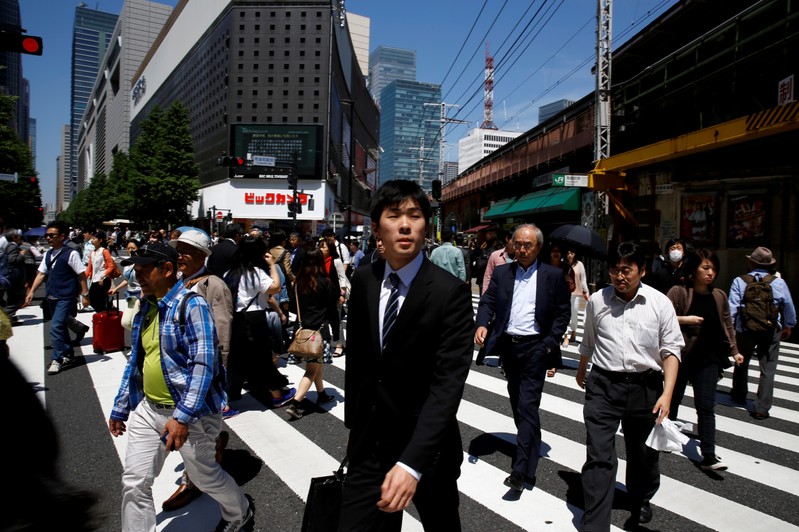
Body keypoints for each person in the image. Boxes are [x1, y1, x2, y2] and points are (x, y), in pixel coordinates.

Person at [339, 180, 474, 531]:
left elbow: (448, 385)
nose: (404, 224)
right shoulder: (365, 280)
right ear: (376, 228)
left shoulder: (450, 292)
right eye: (394, 215)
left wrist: (412, 463)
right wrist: (354, 424)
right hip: (370, 444)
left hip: (428, 450)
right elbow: (359, 359)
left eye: (414, 216)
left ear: (425, 226)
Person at [107, 242, 253, 532]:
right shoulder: (146, 306)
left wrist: (182, 416)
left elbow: (204, 364)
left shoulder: (192, 304)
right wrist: (121, 406)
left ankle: (240, 512)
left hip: (191, 413)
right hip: (149, 410)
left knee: (204, 476)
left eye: (145, 271)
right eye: (136, 271)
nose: (139, 277)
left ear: (168, 270)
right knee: (134, 482)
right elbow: (137, 360)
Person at [575, 241, 684, 529]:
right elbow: (589, 339)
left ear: (642, 271)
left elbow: (671, 351)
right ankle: (595, 523)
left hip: (645, 387)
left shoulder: (660, 304)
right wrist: (582, 369)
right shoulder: (598, 300)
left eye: (627, 270)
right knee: (599, 456)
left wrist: (667, 394)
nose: (620, 276)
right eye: (614, 270)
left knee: (643, 455)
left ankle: (642, 496)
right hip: (603, 384)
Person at [474, 224, 571, 492]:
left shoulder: (552, 275)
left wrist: (549, 343)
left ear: (539, 247)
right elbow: (488, 301)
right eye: (518, 244)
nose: (522, 249)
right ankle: (530, 450)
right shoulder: (503, 273)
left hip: (536, 349)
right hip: (509, 347)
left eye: (528, 245)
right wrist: (482, 324)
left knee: (528, 405)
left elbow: (563, 313)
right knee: (518, 404)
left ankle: (521, 471)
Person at [160, 228, 236, 512]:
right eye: (178, 249)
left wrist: (221, 369)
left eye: (187, 250)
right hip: (177, 370)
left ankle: (191, 482)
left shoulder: (214, 284)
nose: (180, 255)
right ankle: (214, 444)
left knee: (194, 425)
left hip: (202, 370)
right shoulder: (177, 281)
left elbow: (223, 329)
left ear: (203, 255)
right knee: (197, 426)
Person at [666, 249, 743, 471]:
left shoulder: (719, 295)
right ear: (693, 269)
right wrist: (686, 319)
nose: (710, 273)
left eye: (714, 269)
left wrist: (735, 351)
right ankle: (666, 436)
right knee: (673, 400)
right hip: (681, 356)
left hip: (709, 358)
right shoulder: (678, 292)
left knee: (706, 406)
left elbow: (727, 324)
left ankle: (709, 455)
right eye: (705, 268)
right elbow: (662, 318)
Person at [223, 236, 294, 406]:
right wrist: (272, 266)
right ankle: (277, 394)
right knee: (262, 357)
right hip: (253, 319)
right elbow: (275, 288)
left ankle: (227, 397)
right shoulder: (254, 273)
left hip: (236, 318)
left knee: (236, 358)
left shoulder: (229, 273)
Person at [728, 246, 796, 419]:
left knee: (742, 361)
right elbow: (788, 305)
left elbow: (732, 307)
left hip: (745, 329)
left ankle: (738, 394)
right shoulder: (778, 282)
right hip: (771, 329)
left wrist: (731, 330)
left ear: (751, 262)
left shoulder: (739, 281)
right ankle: (761, 408)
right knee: (768, 368)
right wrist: (788, 325)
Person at [24, 221, 91, 375]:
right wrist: (31, 291)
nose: (48, 238)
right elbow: (41, 273)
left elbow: (81, 274)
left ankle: (57, 358)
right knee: (60, 327)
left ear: (62, 236)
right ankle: (68, 354)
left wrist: (85, 295)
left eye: (52, 235)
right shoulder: (48, 254)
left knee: (55, 326)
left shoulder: (71, 253)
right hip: (52, 296)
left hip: (66, 296)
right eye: (47, 235)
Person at [285, 248, 340, 419]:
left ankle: (321, 394)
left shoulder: (297, 283)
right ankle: (296, 403)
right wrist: (336, 333)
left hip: (301, 330)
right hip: (319, 331)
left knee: (316, 365)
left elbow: (294, 307)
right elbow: (332, 311)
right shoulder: (326, 283)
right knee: (311, 368)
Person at [318, 236, 348, 358]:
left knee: (337, 321)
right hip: (322, 295)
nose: (320, 249)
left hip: (335, 295)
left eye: (323, 247)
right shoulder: (318, 262)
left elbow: (342, 278)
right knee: (322, 320)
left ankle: (339, 345)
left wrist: (342, 294)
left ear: (330, 249)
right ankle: (324, 343)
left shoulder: (336, 261)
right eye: (319, 246)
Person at [563, 249, 590, 347]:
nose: (569, 255)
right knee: (564, 314)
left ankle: (573, 332)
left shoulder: (580, 265)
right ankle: (565, 335)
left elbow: (583, 280)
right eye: (568, 253)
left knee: (574, 315)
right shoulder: (563, 264)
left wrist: (586, 291)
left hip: (576, 293)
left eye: (572, 253)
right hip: (564, 293)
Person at [85, 231, 115, 313]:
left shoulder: (104, 251)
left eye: (94, 238)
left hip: (103, 279)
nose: (92, 240)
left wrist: (103, 276)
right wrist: (83, 277)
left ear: (100, 240)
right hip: (95, 279)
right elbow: (89, 267)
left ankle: (104, 314)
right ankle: (105, 310)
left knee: (99, 300)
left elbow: (111, 266)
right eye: (92, 238)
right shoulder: (92, 252)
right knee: (92, 298)